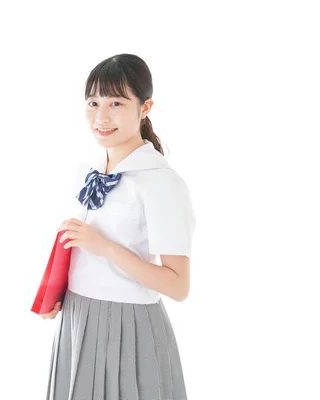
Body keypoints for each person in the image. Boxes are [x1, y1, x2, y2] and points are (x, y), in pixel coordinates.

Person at [40, 54, 196, 400]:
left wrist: (106, 248)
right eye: (93, 102)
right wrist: (57, 292)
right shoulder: (88, 170)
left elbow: (178, 285)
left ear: (145, 107)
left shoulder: (161, 183)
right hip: (77, 316)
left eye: (116, 102)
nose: (101, 116)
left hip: (130, 327)